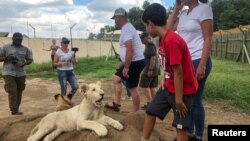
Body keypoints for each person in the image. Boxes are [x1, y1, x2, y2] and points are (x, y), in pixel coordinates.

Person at [140, 3, 198, 141]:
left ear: (150, 24)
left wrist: (178, 100)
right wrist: (163, 81)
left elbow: (179, 72)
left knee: (180, 127)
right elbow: (168, 67)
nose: (146, 29)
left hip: (183, 91)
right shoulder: (161, 39)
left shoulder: (171, 41)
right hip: (168, 86)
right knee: (150, 112)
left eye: (145, 26)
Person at [167, 0, 213, 140]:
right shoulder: (183, 13)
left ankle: (198, 135)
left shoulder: (204, 9)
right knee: (187, 100)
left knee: (195, 100)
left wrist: (202, 65)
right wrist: (176, 8)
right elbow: (168, 30)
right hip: (185, 62)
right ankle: (188, 133)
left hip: (198, 59)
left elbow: (208, 38)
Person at [105, 8, 145, 112]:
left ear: (119, 18)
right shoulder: (127, 28)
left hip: (134, 62)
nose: (114, 21)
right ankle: (116, 103)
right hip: (132, 61)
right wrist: (123, 63)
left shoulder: (127, 29)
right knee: (116, 78)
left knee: (132, 88)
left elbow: (130, 49)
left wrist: (126, 67)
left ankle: (136, 113)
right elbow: (129, 49)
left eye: (115, 19)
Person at [0, 32, 33, 115]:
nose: (19, 41)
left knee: (19, 91)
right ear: (13, 39)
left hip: (21, 73)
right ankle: (14, 110)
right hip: (8, 72)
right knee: (12, 91)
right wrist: (7, 58)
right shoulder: (5, 47)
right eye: (17, 40)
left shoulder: (25, 49)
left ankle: (16, 107)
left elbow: (30, 59)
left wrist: (24, 63)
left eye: (20, 40)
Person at [139, 32, 160, 109]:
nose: (141, 40)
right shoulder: (150, 44)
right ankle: (154, 104)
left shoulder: (150, 45)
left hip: (150, 69)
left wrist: (150, 69)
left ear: (147, 37)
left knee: (143, 85)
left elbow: (153, 58)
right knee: (152, 86)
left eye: (142, 38)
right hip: (155, 69)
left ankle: (150, 102)